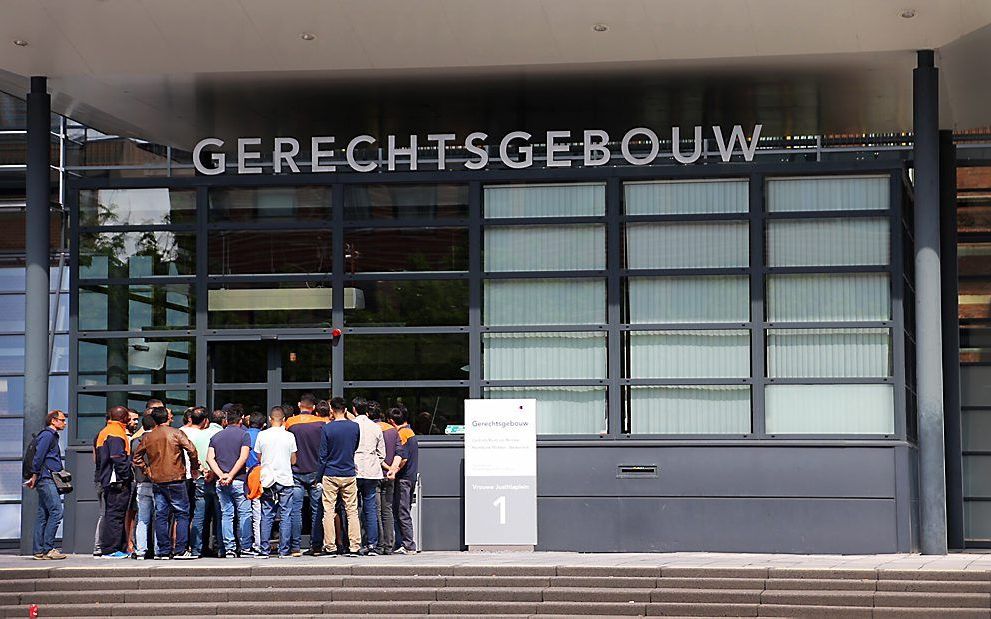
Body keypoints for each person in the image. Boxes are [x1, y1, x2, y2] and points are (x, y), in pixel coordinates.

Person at [133, 406, 199, 560]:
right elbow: (192, 450)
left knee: (161, 515)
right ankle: (180, 550)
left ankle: (163, 551)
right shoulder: (176, 433)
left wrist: (147, 470)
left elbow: (137, 458)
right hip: (176, 478)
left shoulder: (148, 437)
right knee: (182, 513)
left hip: (158, 480)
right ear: (167, 418)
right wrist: (194, 467)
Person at [207, 406, 254, 557]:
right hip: (239, 480)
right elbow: (243, 457)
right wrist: (231, 475)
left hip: (221, 482)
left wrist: (222, 475)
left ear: (226, 420)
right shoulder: (244, 435)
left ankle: (229, 549)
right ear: (240, 420)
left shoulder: (216, 436)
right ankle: (246, 547)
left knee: (227, 515)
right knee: (244, 513)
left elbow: (209, 458)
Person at [319, 397, 361, 557]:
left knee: (328, 511)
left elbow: (322, 455)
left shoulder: (327, 428)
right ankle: (355, 546)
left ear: (331, 410)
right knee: (352, 511)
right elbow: (355, 446)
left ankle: (330, 546)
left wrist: (319, 476)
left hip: (330, 472)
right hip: (349, 472)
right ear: (345, 409)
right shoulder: (355, 427)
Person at [286, 393, 326, 556]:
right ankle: (316, 545)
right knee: (317, 509)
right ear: (314, 407)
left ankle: (295, 546)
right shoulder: (322, 423)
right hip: (316, 471)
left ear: (299, 405)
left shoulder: (290, 422)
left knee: (296, 509)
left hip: (296, 471)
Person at [254, 406, 297, 558]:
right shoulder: (289, 436)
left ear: (270, 419)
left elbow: (259, 458)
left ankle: (264, 549)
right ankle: (284, 550)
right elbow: (293, 460)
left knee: (266, 514)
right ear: (284, 420)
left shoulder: (262, 435)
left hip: (267, 479)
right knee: (286, 514)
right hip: (285, 478)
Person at [26, 409, 68, 560]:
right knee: (57, 511)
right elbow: (39, 456)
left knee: (43, 514)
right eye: (62, 420)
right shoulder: (48, 435)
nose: (65, 423)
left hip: (45, 478)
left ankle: (39, 551)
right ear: (53, 421)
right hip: (46, 478)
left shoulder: (50, 436)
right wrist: (34, 475)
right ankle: (48, 549)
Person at [95, 406, 134, 559]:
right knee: (115, 515)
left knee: (112, 514)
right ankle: (111, 549)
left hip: (107, 479)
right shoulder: (116, 433)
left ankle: (112, 548)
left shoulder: (105, 431)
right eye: (128, 417)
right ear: (124, 418)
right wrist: (126, 476)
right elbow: (118, 457)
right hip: (116, 481)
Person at [352, 397, 385, 555]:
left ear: (354, 409)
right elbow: (382, 454)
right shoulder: (376, 427)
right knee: (370, 508)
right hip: (372, 471)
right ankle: (372, 544)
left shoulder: (351, 426)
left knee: (352, 509)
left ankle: (355, 543)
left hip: (354, 469)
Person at [189, 408, 222, 557]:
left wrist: (201, 470)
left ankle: (197, 549)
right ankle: (221, 548)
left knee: (199, 515)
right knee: (221, 515)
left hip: (201, 478)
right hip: (217, 478)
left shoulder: (198, 436)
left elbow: (193, 457)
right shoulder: (220, 435)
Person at [370, 402, 400, 554]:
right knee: (387, 510)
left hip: (374, 474)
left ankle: (379, 545)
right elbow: (400, 452)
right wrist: (393, 469)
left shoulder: (369, 430)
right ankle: (389, 545)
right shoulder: (392, 430)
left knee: (375, 511)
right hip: (389, 476)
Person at [388, 407, 418, 554]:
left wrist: (393, 471)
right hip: (410, 478)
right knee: (403, 510)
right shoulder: (410, 431)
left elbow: (403, 458)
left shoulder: (402, 434)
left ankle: (408, 545)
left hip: (404, 479)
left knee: (402, 511)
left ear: (392, 422)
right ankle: (402, 543)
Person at [130, 414, 156, 559]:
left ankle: (140, 550)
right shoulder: (158, 439)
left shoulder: (135, 441)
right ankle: (159, 551)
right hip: (158, 482)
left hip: (141, 482)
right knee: (160, 518)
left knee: (142, 519)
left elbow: (134, 461)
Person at [245, 410, 266, 554]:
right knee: (262, 511)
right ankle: (259, 542)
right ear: (263, 424)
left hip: (247, 475)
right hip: (262, 474)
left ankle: (249, 543)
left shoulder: (244, 435)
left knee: (247, 512)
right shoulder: (264, 436)